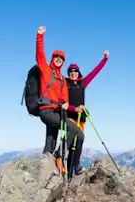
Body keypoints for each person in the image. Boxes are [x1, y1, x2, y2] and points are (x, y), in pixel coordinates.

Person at [34, 26, 83, 172]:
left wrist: (73, 107)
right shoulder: (46, 70)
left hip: (56, 112)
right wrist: (40, 36)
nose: (58, 59)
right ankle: (59, 155)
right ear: (52, 58)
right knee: (75, 130)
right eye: (56, 57)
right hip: (46, 111)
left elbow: (64, 100)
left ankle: (45, 169)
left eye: (61, 58)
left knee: (51, 140)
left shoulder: (62, 79)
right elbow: (39, 55)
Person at [63, 50, 108, 178]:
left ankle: (74, 166)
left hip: (81, 118)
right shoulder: (65, 83)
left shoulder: (83, 82)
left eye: (75, 71)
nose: (73, 73)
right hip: (70, 117)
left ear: (78, 72)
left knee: (79, 142)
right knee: (73, 142)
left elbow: (95, 72)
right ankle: (70, 169)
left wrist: (104, 59)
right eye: (71, 71)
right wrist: (73, 108)